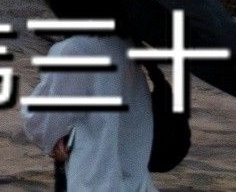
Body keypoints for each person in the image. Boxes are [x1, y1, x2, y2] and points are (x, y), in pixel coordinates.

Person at [16, 25, 158, 192]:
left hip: (93, 183)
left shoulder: (74, 50)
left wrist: (56, 140)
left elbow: (41, 123)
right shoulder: (126, 45)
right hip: (137, 185)